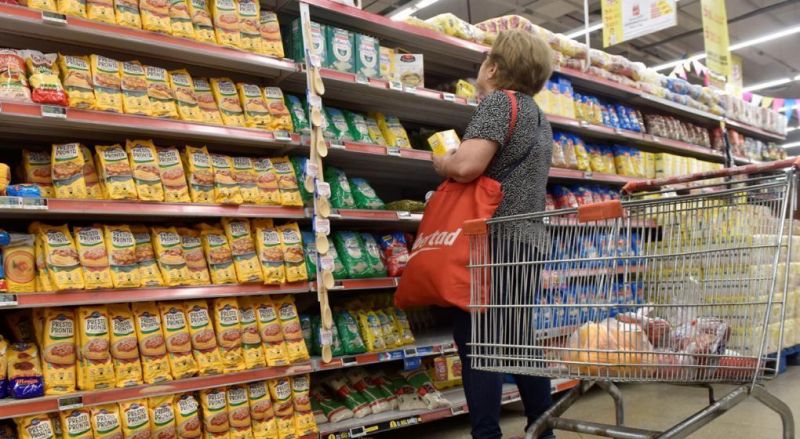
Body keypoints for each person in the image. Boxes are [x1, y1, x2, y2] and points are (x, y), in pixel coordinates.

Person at [431, 29, 555, 439]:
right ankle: (543, 431)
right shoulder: (540, 117)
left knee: (477, 341)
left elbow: (467, 167)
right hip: (528, 241)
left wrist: (442, 161)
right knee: (519, 340)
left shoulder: (500, 102)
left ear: (494, 66)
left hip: (493, 241)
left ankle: (487, 436)